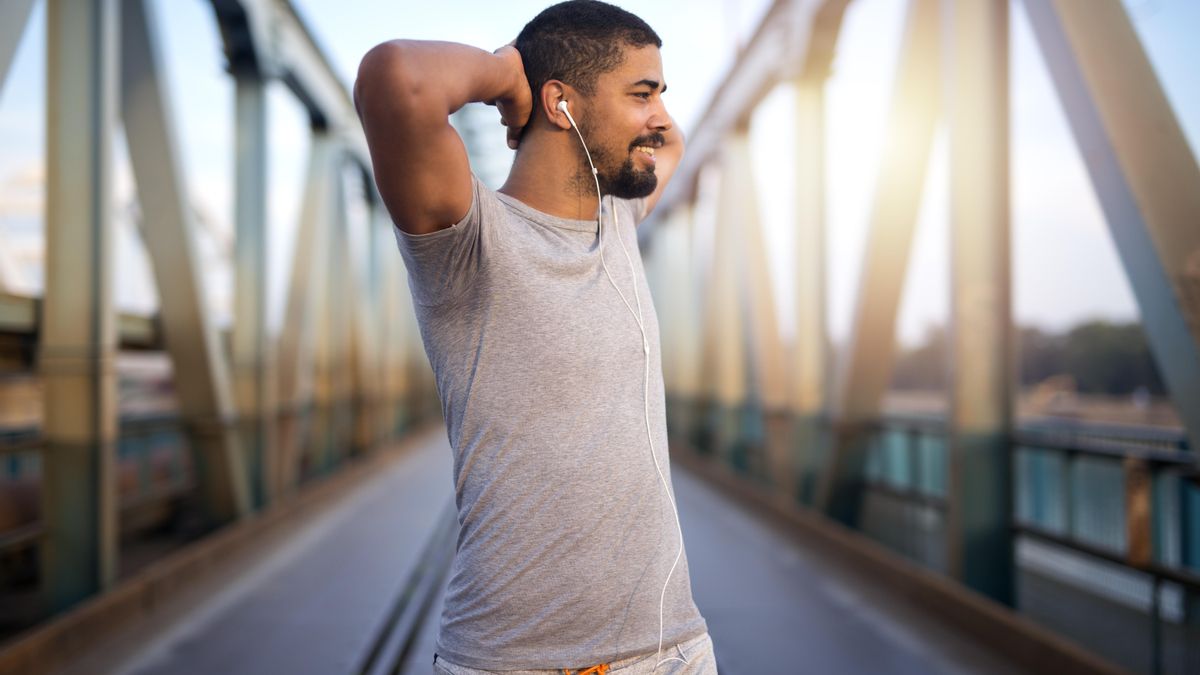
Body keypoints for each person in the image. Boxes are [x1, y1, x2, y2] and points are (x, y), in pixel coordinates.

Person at [354, 2, 716, 673]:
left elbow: (672, 143)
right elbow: (394, 77)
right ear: (561, 103)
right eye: (642, 94)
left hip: (675, 653)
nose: (660, 116)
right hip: (512, 661)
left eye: (661, 93)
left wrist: (627, 105)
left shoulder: (623, 219)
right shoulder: (467, 241)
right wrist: (506, 74)